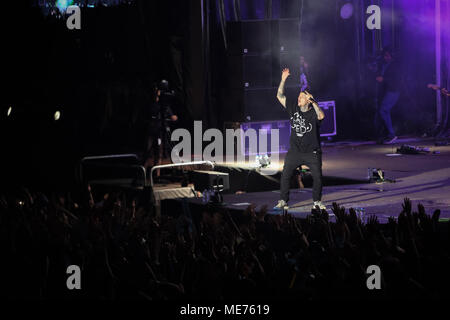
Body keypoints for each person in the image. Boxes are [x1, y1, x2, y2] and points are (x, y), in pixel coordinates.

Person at [274, 68, 326, 211]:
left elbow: (321, 116)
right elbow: (279, 95)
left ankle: (316, 202)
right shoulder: (293, 108)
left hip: (312, 152)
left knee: (317, 177)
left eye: (301, 98)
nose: (298, 99)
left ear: (308, 101)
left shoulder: (313, 113)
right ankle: (283, 201)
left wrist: (314, 102)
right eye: (299, 97)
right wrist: (283, 79)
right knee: (285, 174)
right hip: (295, 151)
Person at [143, 81, 178, 168]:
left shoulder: (164, 104)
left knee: (159, 152)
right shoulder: (150, 103)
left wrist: (173, 116)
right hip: (151, 129)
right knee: (148, 151)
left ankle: (157, 173)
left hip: (160, 130)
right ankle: (143, 171)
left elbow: (171, 114)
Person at [374, 46, 401, 144]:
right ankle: (387, 134)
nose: (386, 57)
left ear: (392, 56)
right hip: (386, 91)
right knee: (382, 111)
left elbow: (396, 79)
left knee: (384, 110)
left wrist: (383, 79)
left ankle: (391, 134)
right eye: (384, 56)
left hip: (393, 90)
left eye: (388, 55)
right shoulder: (383, 65)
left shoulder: (395, 66)